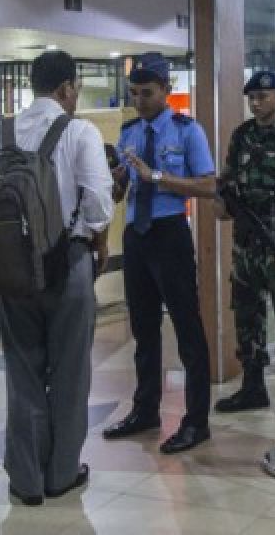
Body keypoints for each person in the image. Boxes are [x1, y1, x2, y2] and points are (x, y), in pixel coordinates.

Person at [0, 50, 115, 505]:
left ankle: (27, 480)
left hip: (12, 270)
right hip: (67, 264)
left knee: (23, 372)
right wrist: (98, 239)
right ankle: (62, 474)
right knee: (71, 374)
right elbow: (97, 205)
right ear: (67, 89)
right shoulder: (79, 132)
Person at [101, 52, 218, 454]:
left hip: (169, 234)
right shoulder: (130, 133)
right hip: (137, 235)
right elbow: (123, 193)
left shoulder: (187, 131)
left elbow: (208, 185)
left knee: (187, 328)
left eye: (147, 93)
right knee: (144, 329)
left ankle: (196, 420)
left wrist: (160, 177)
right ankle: (145, 409)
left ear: (167, 90)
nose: (140, 101)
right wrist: (117, 181)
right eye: (134, 94)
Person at [213, 70, 275, 423]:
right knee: (246, 315)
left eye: (264, 96)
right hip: (246, 241)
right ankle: (253, 386)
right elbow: (226, 179)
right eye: (252, 98)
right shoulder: (241, 136)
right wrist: (221, 200)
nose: (256, 103)